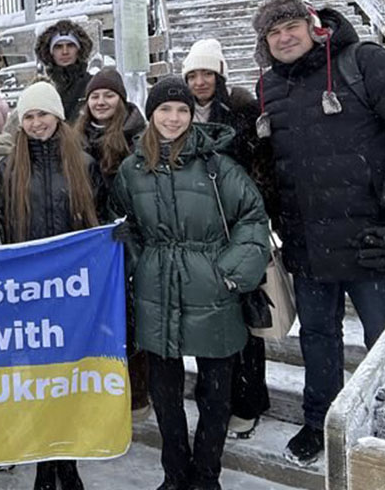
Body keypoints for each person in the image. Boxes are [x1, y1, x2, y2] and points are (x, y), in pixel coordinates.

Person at [251, 0, 385, 465]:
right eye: (273, 31)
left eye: (291, 25)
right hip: (307, 245)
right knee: (317, 339)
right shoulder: (270, 86)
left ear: (313, 26)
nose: (284, 36)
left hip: (375, 241)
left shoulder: (365, 62)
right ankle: (318, 422)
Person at [112, 76, 270, 490]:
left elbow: (252, 218)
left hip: (212, 291)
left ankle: (206, 475)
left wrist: (229, 272)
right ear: (151, 115)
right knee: (166, 399)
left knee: (215, 397)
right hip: (156, 292)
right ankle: (175, 474)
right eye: (165, 109)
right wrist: (139, 263)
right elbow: (121, 226)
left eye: (182, 109)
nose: (174, 117)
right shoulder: (132, 169)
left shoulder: (218, 166)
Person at [0, 81, 101, 490]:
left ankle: (65, 461)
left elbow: (97, 225)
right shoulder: (8, 169)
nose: (37, 124)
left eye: (43, 115)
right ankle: (42, 462)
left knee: (67, 379)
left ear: (58, 117)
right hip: (26, 295)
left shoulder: (84, 164)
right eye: (29, 117)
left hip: (72, 294)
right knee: (34, 383)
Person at [182, 39, 278, 441]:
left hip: (237, 228)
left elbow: (263, 168)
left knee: (246, 321)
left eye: (207, 73)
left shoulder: (242, 112)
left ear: (219, 74)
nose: (200, 81)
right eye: (192, 75)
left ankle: (249, 400)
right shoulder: (178, 114)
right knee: (211, 322)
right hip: (199, 234)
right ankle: (215, 396)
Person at [74, 68, 150, 419]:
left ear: (121, 99)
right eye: (95, 96)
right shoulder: (74, 139)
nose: (101, 102)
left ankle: (136, 395)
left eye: (108, 95)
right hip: (91, 244)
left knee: (131, 320)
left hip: (130, 241)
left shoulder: (138, 135)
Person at [34, 20, 95, 122]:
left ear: (79, 50)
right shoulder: (42, 89)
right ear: (50, 52)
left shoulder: (92, 84)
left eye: (70, 45)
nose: (65, 52)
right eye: (58, 47)